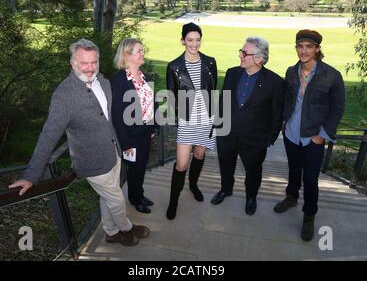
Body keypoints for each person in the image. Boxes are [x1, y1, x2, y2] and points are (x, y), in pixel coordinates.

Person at [9, 38, 150, 247]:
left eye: (94, 62)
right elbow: (48, 135)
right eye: (84, 63)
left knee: (108, 197)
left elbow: (115, 115)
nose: (90, 68)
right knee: (117, 199)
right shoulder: (64, 95)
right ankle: (127, 228)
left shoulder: (103, 82)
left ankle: (111, 231)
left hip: (113, 152)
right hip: (92, 161)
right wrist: (31, 175)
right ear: (72, 63)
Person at [273, 30, 345, 241]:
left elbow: (337, 108)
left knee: (311, 179)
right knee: (294, 169)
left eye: (308, 47)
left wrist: (322, 134)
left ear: (317, 49)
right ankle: (291, 196)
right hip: (291, 133)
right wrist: (284, 122)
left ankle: (309, 215)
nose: (303, 51)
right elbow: (287, 99)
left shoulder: (331, 75)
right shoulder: (291, 71)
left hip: (314, 136)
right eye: (300, 46)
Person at [211, 37, 284, 216]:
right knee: (225, 166)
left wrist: (269, 139)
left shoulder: (275, 83)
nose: (240, 55)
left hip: (254, 140)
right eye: (241, 51)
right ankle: (226, 189)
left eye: (244, 53)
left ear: (259, 59)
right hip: (226, 134)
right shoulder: (231, 73)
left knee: (253, 172)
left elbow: (277, 115)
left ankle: (251, 197)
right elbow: (223, 102)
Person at [165, 22, 217, 220]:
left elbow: (212, 90)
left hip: (206, 118)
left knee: (200, 154)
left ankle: (194, 185)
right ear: (183, 41)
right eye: (190, 40)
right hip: (187, 120)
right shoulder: (174, 66)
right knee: (181, 163)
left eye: (197, 40)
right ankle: (173, 200)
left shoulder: (210, 62)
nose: (194, 44)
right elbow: (171, 97)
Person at [111, 38, 157, 214]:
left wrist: (152, 127)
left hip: (145, 132)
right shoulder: (119, 81)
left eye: (142, 50)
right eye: (139, 51)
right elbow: (117, 116)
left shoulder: (142, 75)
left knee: (141, 166)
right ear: (126, 55)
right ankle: (135, 199)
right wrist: (126, 144)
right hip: (131, 136)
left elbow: (150, 103)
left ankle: (140, 193)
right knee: (135, 169)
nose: (142, 53)